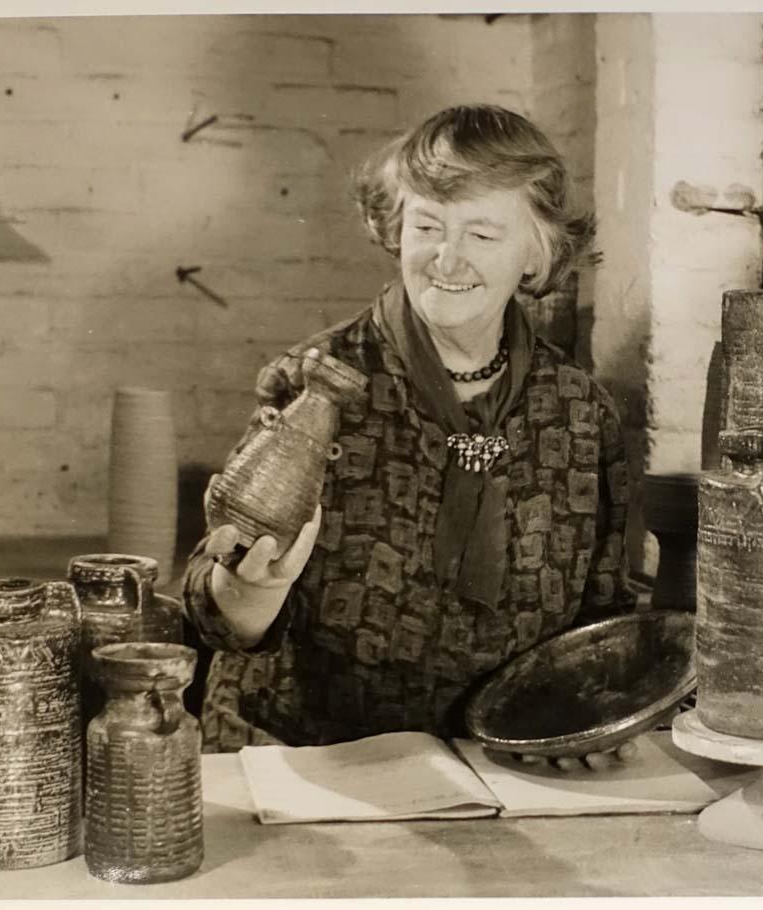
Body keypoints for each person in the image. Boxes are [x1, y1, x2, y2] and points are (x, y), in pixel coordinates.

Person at [183, 104, 637, 769]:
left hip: (503, 773)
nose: (446, 258)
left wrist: (590, 714)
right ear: (396, 228)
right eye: (427, 226)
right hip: (310, 766)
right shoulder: (313, 383)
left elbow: (603, 622)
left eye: (482, 234)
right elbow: (207, 611)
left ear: (537, 252)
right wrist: (253, 593)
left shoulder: (580, 412)